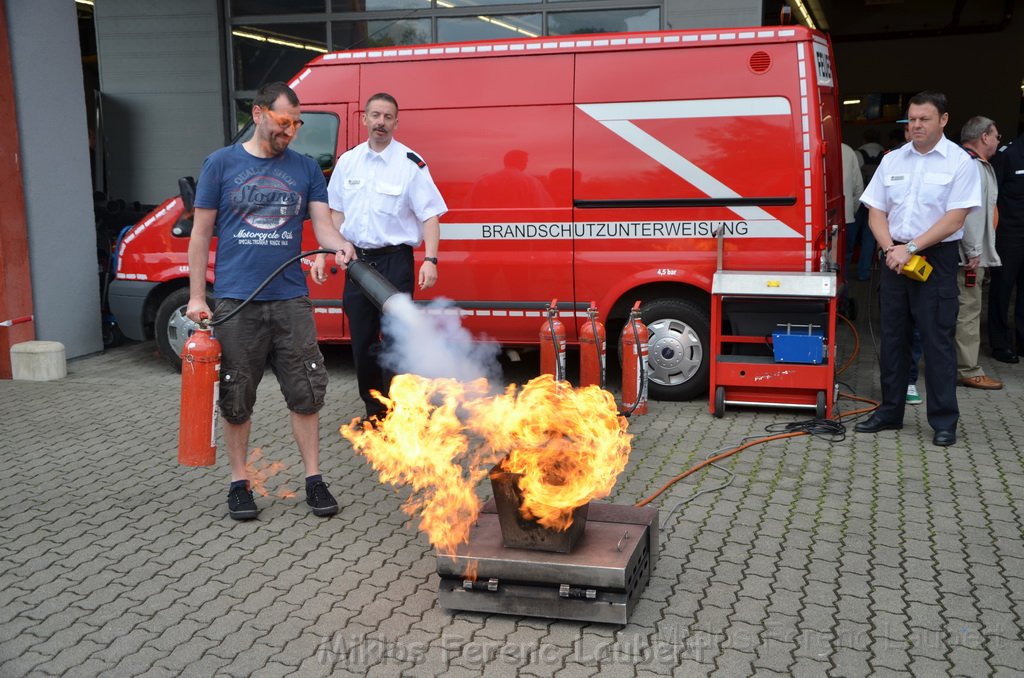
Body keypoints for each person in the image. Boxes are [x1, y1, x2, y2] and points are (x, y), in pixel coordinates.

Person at [186, 82, 354, 520]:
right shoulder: (220, 164)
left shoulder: (305, 168)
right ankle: (239, 482)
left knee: (306, 389)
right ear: (259, 113)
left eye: (297, 123)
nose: (291, 131)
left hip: (290, 300)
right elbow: (201, 234)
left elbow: (323, 226)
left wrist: (339, 245)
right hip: (236, 301)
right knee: (237, 394)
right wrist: (197, 297)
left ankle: (314, 479)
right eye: (284, 122)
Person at [855, 91, 981, 447]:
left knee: (936, 340)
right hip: (894, 257)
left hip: (935, 259)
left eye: (924, 119)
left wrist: (910, 248)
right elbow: (876, 210)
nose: (916, 126)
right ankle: (889, 412)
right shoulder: (892, 160)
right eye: (911, 120)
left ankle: (943, 421)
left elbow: (955, 217)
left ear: (943, 120)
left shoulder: (959, 162)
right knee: (892, 338)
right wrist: (889, 249)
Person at [320, 92, 447, 423]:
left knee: (396, 342)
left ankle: (399, 413)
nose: (380, 122)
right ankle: (374, 412)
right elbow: (334, 214)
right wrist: (328, 251)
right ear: (364, 119)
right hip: (357, 263)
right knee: (362, 342)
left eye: (387, 117)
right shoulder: (347, 162)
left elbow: (430, 216)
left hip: (395, 263)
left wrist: (430, 260)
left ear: (396, 122)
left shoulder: (410, 163)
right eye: (375, 115)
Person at [956, 116, 1003, 389]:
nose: (998, 141)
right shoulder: (972, 166)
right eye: (996, 135)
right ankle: (969, 369)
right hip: (968, 257)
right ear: (984, 137)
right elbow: (970, 213)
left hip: (966, 253)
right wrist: (974, 251)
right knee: (969, 310)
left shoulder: (970, 163)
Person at [988, 131, 1024, 363]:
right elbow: (992, 198)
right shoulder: (1008, 155)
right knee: (1002, 290)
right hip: (1010, 236)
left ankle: (1022, 341)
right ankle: (1000, 344)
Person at [841, 142, 865, 279]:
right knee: (844, 258)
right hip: (846, 217)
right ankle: (843, 295)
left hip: (813, 221)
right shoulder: (848, 151)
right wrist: (851, 211)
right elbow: (858, 188)